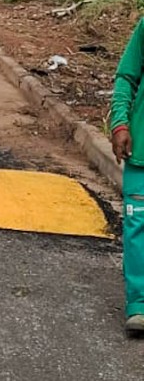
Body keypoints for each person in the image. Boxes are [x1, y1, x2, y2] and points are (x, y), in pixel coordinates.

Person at [110, 18, 144, 333]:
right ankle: (139, 304)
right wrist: (120, 124)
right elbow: (126, 77)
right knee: (138, 228)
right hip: (142, 151)